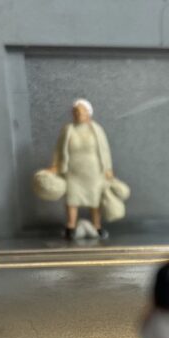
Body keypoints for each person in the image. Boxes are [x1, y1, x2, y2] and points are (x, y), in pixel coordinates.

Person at [49, 99, 114, 240]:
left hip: (94, 172)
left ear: (88, 113)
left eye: (81, 111)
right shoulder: (68, 129)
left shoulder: (97, 130)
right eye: (75, 111)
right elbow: (59, 150)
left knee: (95, 199)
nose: (78, 114)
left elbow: (105, 150)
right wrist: (55, 165)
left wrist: (108, 168)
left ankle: (97, 226)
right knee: (72, 199)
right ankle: (71, 226)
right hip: (73, 172)